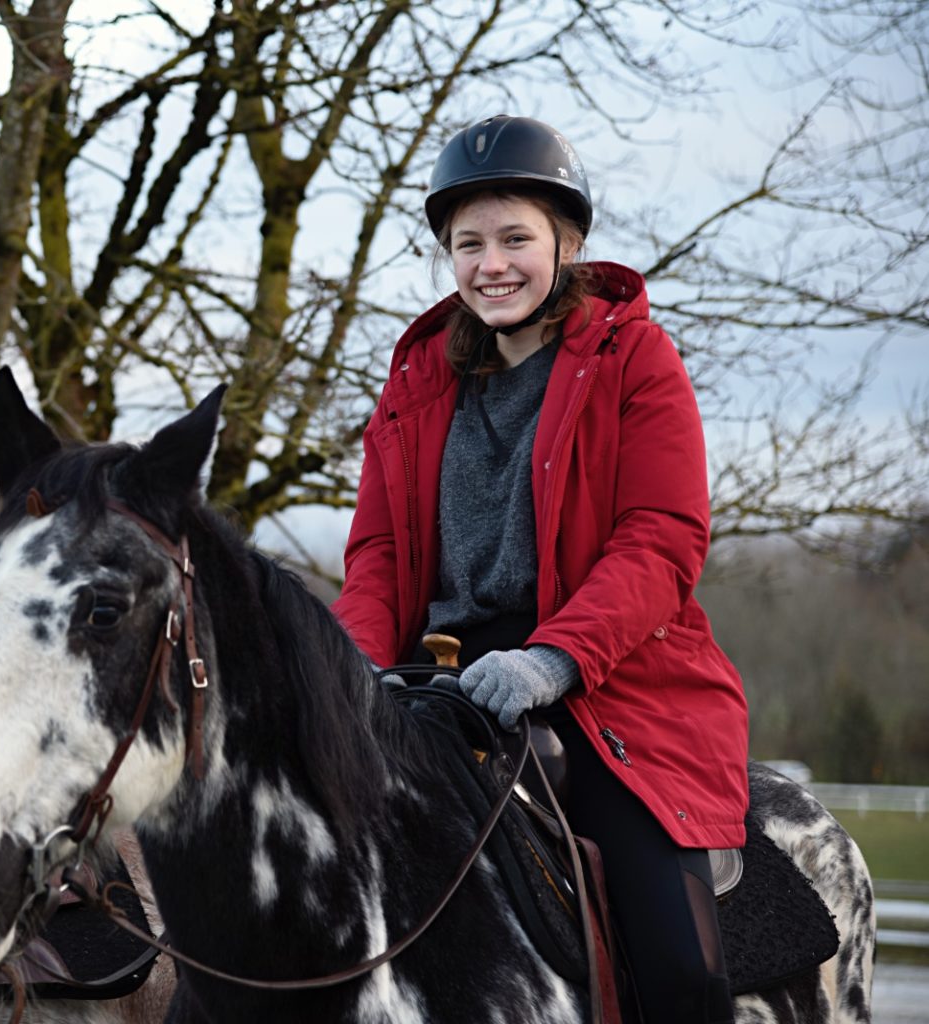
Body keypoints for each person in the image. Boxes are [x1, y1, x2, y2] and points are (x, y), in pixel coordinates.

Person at [333, 115, 745, 1023]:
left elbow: (662, 538)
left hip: (606, 687)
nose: (493, 265)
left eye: (516, 238)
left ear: (568, 242)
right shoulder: (413, 384)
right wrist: (347, 671)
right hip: (432, 681)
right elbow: (378, 556)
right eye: (468, 244)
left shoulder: (635, 358)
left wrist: (551, 660)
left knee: (679, 972)